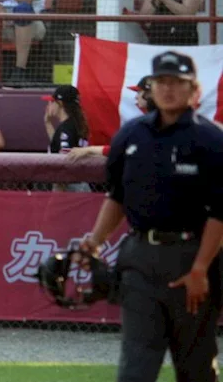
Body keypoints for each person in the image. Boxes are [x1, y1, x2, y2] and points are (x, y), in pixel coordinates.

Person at [81, 50, 223, 382]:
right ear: (151, 87)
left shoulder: (212, 140)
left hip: (193, 256)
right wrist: (95, 241)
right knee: (135, 366)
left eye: (177, 82)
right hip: (140, 258)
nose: (168, 89)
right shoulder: (130, 136)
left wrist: (202, 267)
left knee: (197, 366)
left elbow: (220, 212)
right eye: (161, 81)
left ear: (193, 89)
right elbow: (116, 197)